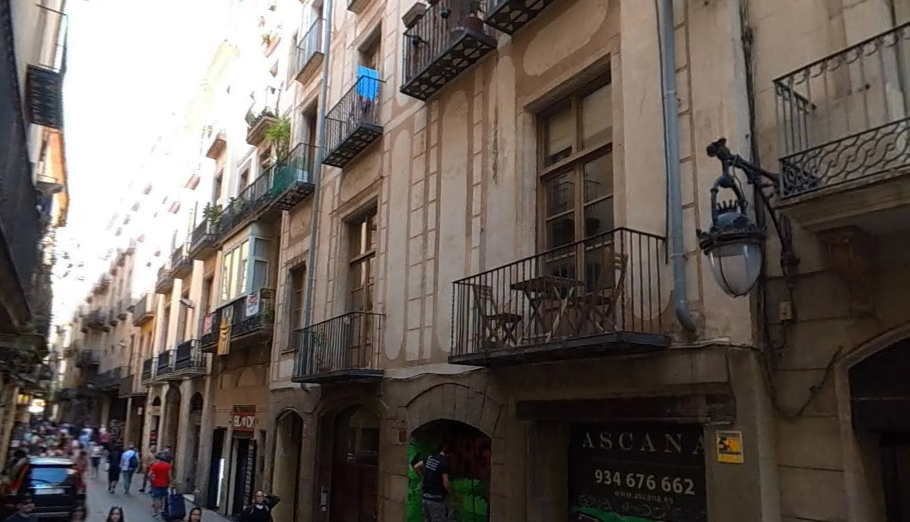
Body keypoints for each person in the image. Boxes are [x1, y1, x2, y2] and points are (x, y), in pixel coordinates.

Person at [412, 442, 457, 522]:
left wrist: (424, 477)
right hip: (436, 500)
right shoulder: (443, 463)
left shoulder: (430, 457)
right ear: (450, 454)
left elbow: (416, 466)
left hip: (425, 497)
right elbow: (446, 483)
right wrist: (454, 495)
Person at [148, 454, 172, 519]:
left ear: (159, 459)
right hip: (165, 484)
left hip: (156, 484)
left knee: (156, 499)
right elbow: (169, 476)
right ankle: (162, 509)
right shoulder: (168, 466)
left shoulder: (155, 465)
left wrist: (151, 481)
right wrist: (170, 483)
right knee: (162, 498)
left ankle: (156, 513)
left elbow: (149, 474)